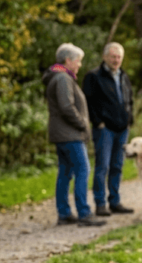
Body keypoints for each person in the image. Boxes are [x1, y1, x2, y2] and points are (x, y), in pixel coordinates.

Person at [42, 43, 105, 228]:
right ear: (68, 60)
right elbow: (66, 106)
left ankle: (64, 213)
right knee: (83, 170)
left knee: (65, 172)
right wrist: (82, 124)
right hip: (69, 134)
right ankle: (84, 213)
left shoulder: (59, 76)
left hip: (62, 133)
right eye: (78, 61)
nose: (79, 65)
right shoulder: (62, 78)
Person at [82, 42, 135, 216]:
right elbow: (87, 102)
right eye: (113, 56)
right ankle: (100, 203)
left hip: (122, 128)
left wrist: (129, 119)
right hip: (104, 129)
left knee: (117, 166)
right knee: (102, 166)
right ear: (105, 57)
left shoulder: (123, 76)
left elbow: (129, 99)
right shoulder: (94, 76)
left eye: (119, 57)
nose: (116, 60)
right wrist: (97, 122)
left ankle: (115, 201)